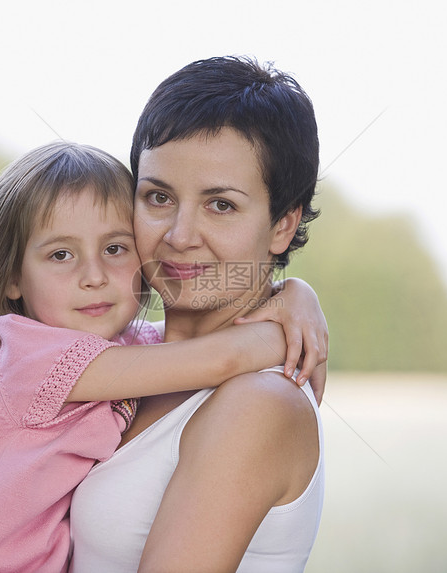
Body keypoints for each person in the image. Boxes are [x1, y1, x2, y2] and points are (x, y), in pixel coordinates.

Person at [0, 141, 327, 572]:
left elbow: (190, 349)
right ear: (12, 276)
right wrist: (288, 331)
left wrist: (294, 293)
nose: (94, 277)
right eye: (61, 255)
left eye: (115, 249)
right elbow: (221, 358)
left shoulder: (124, 350)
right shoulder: (23, 357)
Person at [69, 56, 326, 572]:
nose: (180, 236)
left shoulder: (260, 403)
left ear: (283, 223)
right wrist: (292, 293)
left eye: (221, 205)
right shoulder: (123, 354)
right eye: (158, 197)